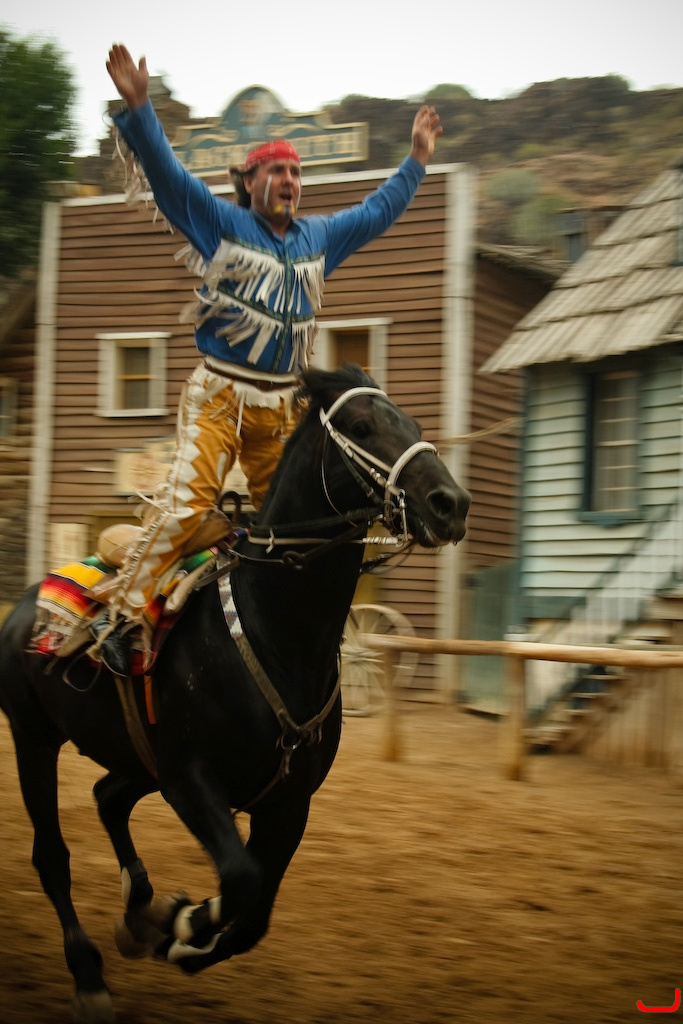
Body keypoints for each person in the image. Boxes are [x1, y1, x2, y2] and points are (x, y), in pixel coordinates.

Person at [92, 43, 443, 674]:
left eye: (296, 173)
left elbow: (376, 213)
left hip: (280, 408)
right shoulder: (220, 224)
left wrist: (415, 160)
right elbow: (169, 179)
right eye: (277, 172)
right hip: (219, 397)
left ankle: (282, 641)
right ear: (249, 183)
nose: (289, 181)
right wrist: (141, 109)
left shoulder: (319, 238)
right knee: (187, 507)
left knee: (292, 525)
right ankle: (122, 617)